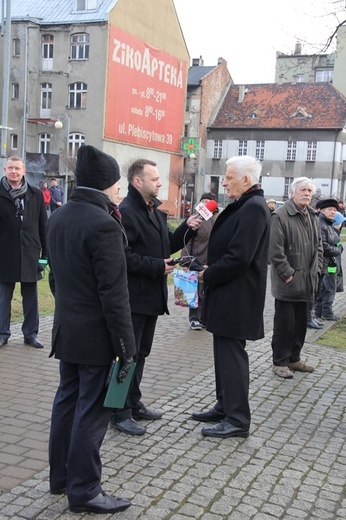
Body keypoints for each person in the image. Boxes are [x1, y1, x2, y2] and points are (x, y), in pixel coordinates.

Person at [47, 145, 136, 514]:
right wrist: (126, 347)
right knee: (92, 410)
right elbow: (114, 295)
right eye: (117, 184)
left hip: (67, 330)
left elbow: (55, 279)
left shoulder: (60, 216)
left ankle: (62, 477)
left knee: (67, 402)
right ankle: (84, 490)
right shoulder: (103, 224)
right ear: (106, 185)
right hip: (97, 336)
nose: (120, 191)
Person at [110, 159, 201, 436]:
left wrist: (188, 226)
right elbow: (123, 257)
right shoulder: (127, 212)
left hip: (150, 296)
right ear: (138, 182)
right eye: (155, 179)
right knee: (127, 355)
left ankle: (134, 403)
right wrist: (157, 266)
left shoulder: (154, 211)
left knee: (141, 353)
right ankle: (118, 411)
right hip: (133, 297)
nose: (160, 183)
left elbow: (167, 245)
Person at [191, 155, 270, 438]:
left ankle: (237, 419)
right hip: (227, 293)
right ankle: (224, 404)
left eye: (228, 178)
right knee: (222, 355)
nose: (223, 182)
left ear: (246, 180)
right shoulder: (245, 204)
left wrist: (208, 274)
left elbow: (239, 258)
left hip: (238, 297)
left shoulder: (254, 208)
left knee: (233, 357)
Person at [270, 177, 323, 379]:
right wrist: (288, 274)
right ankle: (280, 361)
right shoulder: (280, 215)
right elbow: (275, 251)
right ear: (292, 193)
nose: (307, 193)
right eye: (303, 190)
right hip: (288, 282)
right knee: (285, 325)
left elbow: (318, 246)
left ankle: (294, 358)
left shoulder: (312, 215)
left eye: (310, 190)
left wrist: (317, 269)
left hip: (308, 280)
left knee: (300, 324)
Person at [0, 156, 47, 348]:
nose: (14, 171)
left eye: (17, 168)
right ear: (5, 169)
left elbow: (43, 228)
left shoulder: (35, 194)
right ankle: (2, 333)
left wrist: (45, 257)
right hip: (4, 254)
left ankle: (30, 334)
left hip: (30, 253)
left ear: (24, 171)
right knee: (3, 298)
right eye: (10, 168)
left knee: (30, 298)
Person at [181, 193, 217, 330]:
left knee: (207, 292)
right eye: (203, 201)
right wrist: (185, 261)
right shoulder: (196, 219)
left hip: (210, 262)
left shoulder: (215, 220)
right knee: (195, 292)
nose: (205, 204)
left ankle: (204, 318)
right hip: (196, 260)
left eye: (208, 201)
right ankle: (194, 318)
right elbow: (187, 240)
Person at [313, 199, 342, 321]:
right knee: (328, 287)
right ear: (322, 211)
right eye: (330, 209)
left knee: (325, 287)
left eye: (335, 210)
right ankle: (326, 312)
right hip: (324, 261)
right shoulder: (321, 224)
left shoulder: (330, 225)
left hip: (330, 262)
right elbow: (323, 245)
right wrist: (338, 250)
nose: (333, 212)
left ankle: (319, 312)